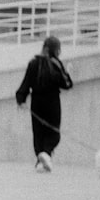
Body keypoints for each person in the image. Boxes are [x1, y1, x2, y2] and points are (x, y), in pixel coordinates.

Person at [15, 35, 73, 172]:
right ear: (55, 50)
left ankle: (40, 159)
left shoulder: (33, 63)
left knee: (38, 132)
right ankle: (46, 154)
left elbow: (26, 83)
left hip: (37, 102)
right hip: (52, 102)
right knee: (53, 132)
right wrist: (68, 72)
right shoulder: (56, 64)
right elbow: (66, 84)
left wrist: (21, 100)